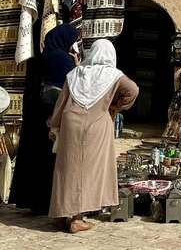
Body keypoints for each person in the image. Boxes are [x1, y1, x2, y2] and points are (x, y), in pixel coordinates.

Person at [48, 39, 139, 233]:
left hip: (70, 123)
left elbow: (61, 102)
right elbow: (133, 90)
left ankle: (60, 216)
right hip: (97, 125)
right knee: (87, 172)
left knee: (67, 169)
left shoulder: (75, 73)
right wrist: (115, 108)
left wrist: (54, 125)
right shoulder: (114, 75)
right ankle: (77, 219)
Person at [9, 24, 79, 214]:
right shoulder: (63, 60)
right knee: (48, 161)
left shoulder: (37, 59)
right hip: (51, 118)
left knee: (32, 158)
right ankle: (46, 202)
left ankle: (30, 201)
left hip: (33, 117)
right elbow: (70, 89)